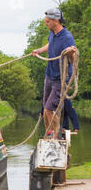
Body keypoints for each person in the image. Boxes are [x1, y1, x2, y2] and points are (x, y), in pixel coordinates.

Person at [32, 8, 77, 139]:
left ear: (55, 21)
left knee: (48, 109)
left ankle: (55, 137)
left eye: (48, 21)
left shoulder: (67, 37)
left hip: (61, 79)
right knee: (45, 109)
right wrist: (39, 51)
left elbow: (73, 60)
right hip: (49, 76)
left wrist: (70, 53)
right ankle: (49, 134)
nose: (46, 23)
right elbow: (50, 44)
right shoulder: (52, 33)